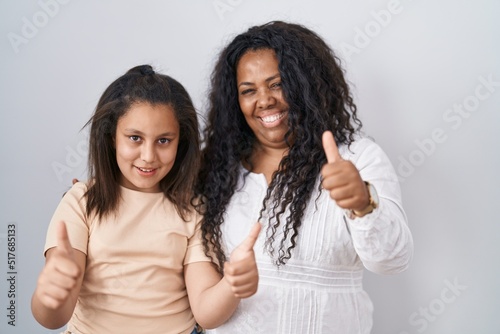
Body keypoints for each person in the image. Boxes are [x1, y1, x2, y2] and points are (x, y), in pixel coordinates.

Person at [194, 21, 414, 333]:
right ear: (235, 101)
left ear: (305, 84)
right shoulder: (217, 169)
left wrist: (363, 203)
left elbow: (392, 262)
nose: (265, 100)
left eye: (277, 84)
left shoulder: (357, 158)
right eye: (248, 90)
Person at [31, 65, 261, 334]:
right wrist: (51, 294)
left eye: (163, 140)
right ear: (112, 138)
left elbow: (206, 313)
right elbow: (52, 318)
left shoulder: (192, 210)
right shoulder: (81, 202)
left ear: (181, 142)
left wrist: (231, 285)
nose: (149, 156)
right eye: (135, 138)